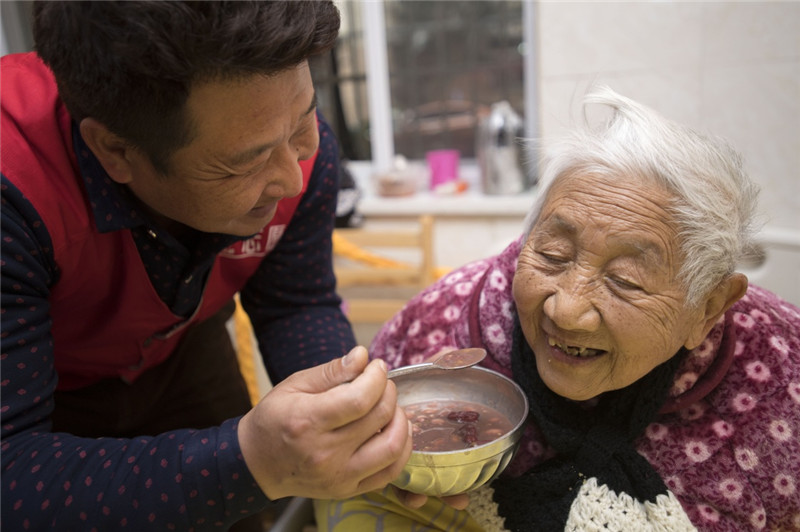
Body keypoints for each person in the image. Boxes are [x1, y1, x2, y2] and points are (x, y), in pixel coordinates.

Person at [0, 2, 413, 530]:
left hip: (184, 351)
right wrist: (250, 462)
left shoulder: (284, 137)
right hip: (47, 392)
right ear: (115, 150)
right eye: (247, 161)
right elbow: (11, 471)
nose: (293, 178)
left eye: (304, 122)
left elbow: (295, 302)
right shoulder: (15, 183)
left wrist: (359, 427)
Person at [315, 87, 800, 531]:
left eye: (625, 280)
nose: (566, 311)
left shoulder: (783, 377)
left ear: (708, 307)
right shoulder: (444, 326)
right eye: (552, 254)